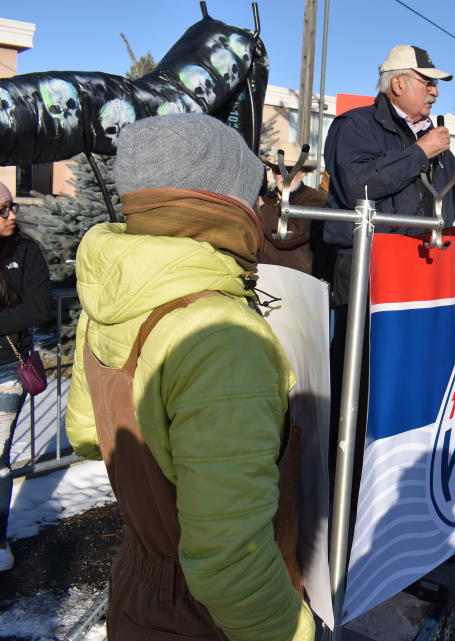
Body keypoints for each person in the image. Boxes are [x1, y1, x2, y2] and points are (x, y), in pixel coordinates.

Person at [65, 115, 314, 641]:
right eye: (254, 195)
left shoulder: (110, 297)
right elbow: (229, 558)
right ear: (224, 202)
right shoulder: (219, 333)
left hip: (137, 589)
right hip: (215, 618)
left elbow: (88, 434)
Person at [323, 44, 455, 305]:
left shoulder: (429, 136)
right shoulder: (355, 125)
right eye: (428, 82)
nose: (435, 92)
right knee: (366, 344)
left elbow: (449, 203)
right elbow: (358, 186)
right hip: (368, 261)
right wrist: (420, 153)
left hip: (424, 258)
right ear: (398, 84)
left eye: (436, 84)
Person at [0, 182, 51, 572]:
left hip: (6, 372)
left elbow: (39, 307)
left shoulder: (25, 251)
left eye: (11, 206)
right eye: (2, 210)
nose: (11, 215)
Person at [257, 141, 330, 278]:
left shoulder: (315, 200)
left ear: (302, 173)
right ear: (273, 172)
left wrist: (262, 209)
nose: (285, 176)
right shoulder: (267, 199)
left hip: (298, 283)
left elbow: (286, 237)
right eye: (280, 170)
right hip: (263, 280)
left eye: (291, 170)